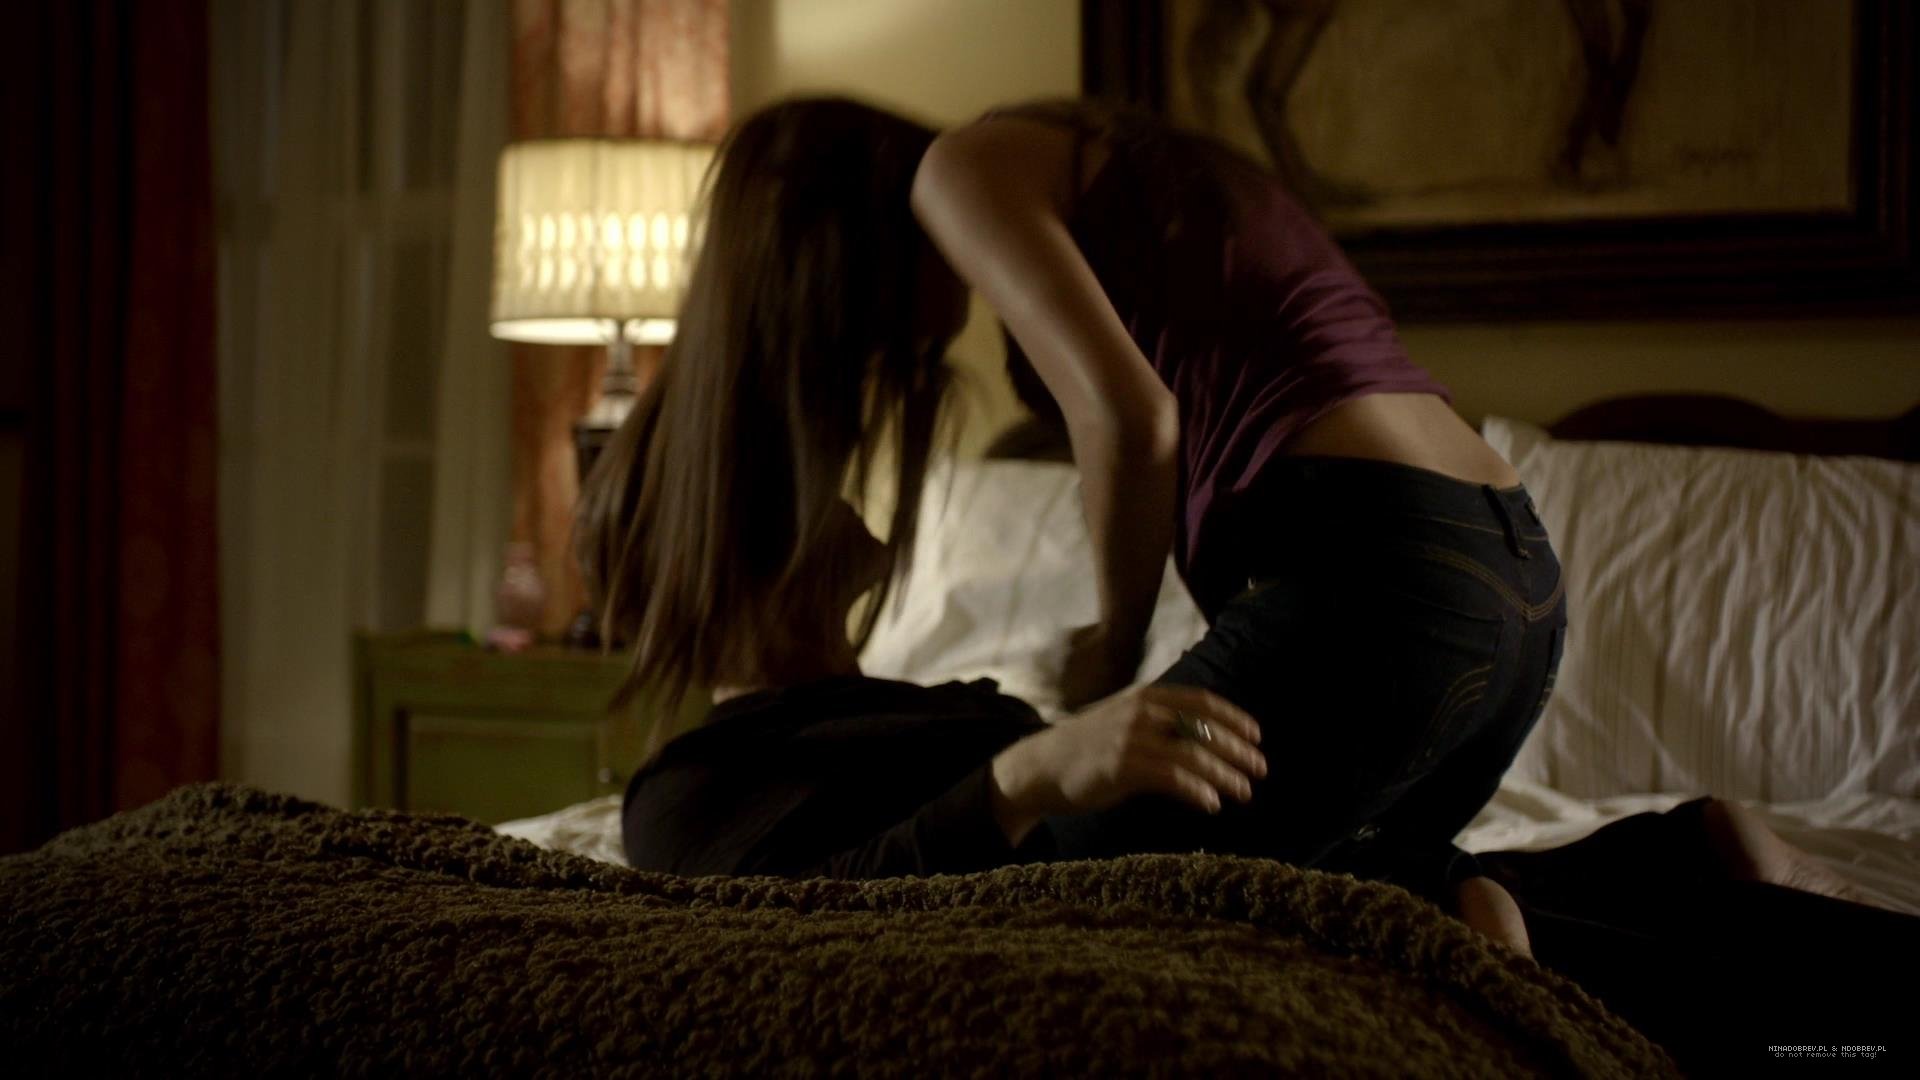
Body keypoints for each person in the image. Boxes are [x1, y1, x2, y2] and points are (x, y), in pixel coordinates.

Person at [576, 94, 1556, 939]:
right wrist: (1038, 764)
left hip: (1377, 574)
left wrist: (1112, 650)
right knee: (1327, 873)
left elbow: (1132, 420)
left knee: (1110, 892)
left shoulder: (962, 172)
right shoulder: (1119, 164)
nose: (966, 307)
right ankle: (1511, 889)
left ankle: (1442, 898)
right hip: (1513, 574)